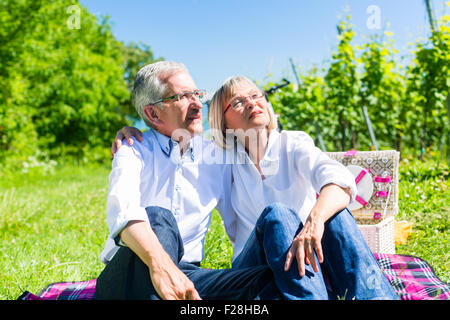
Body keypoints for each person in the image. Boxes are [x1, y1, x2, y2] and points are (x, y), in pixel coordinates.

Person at [114, 75, 399, 300]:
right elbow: (177, 142)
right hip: (253, 265)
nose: (252, 103)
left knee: (332, 209)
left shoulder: (293, 143)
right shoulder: (222, 158)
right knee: (278, 215)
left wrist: (314, 221)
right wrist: (128, 134)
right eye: (237, 102)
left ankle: (375, 297)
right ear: (222, 121)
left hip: (308, 254)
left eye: (255, 95)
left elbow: (339, 179)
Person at [95, 61, 276, 300]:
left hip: (189, 275)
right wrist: (162, 267)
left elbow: (259, 152)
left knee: (269, 279)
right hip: (132, 272)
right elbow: (125, 214)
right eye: (183, 96)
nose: (197, 103)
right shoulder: (133, 149)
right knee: (158, 217)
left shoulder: (218, 155)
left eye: (196, 94)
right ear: (152, 113)